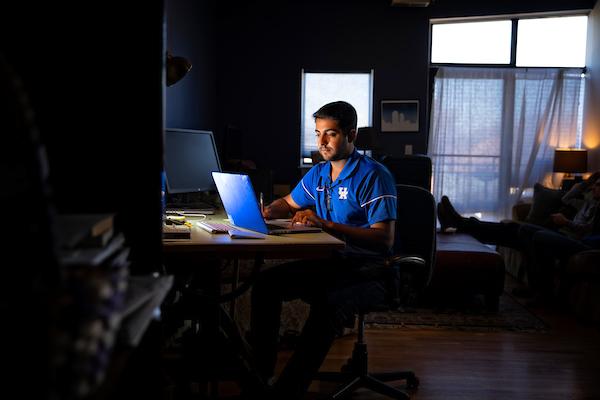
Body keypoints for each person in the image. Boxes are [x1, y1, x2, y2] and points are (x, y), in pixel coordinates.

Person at [248, 101, 397, 399]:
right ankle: (259, 376)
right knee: (266, 284)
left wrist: (325, 224)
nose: (321, 142)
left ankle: (287, 393)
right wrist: (268, 211)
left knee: (329, 305)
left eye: (330, 134)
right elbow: (288, 203)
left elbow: (384, 240)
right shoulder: (318, 174)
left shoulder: (373, 175)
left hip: (373, 271)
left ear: (351, 134)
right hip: (337, 263)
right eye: (317, 133)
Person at [437, 172, 600, 303]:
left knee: (534, 234)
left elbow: (587, 231)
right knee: (513, 229)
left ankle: (541, 291)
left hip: (579, 243)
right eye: (593, 186)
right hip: (564, 234)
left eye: (597, 186)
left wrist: (566, 222)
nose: (593, 188)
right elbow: (566, 198)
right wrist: (587, 182)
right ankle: (461, 222)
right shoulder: (588, 201)